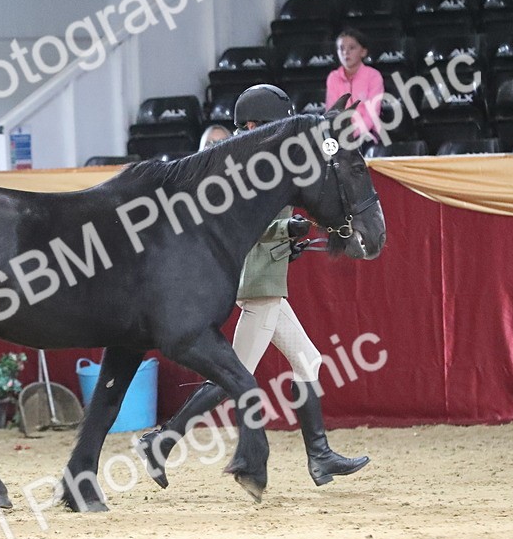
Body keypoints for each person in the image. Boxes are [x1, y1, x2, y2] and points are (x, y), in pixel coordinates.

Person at [138, 84, 370, 488]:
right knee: (233, 376)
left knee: (308, 362)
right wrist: (288, 227)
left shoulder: (269, 160)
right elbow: (249, 223)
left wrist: (290, 240)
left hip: (269, 281)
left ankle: (320, 457)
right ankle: (163, 440)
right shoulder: (253, 167)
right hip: (259, 285)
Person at [326, 27, 385, 143]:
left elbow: (372, 115)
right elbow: (331, 112)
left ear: (363, 52)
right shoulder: (333, 77)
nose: (345, 53)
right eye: (341, 48)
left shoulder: (373, 76)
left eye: (351, 48)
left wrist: (353, 134)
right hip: (340, 135)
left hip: (367, 134)